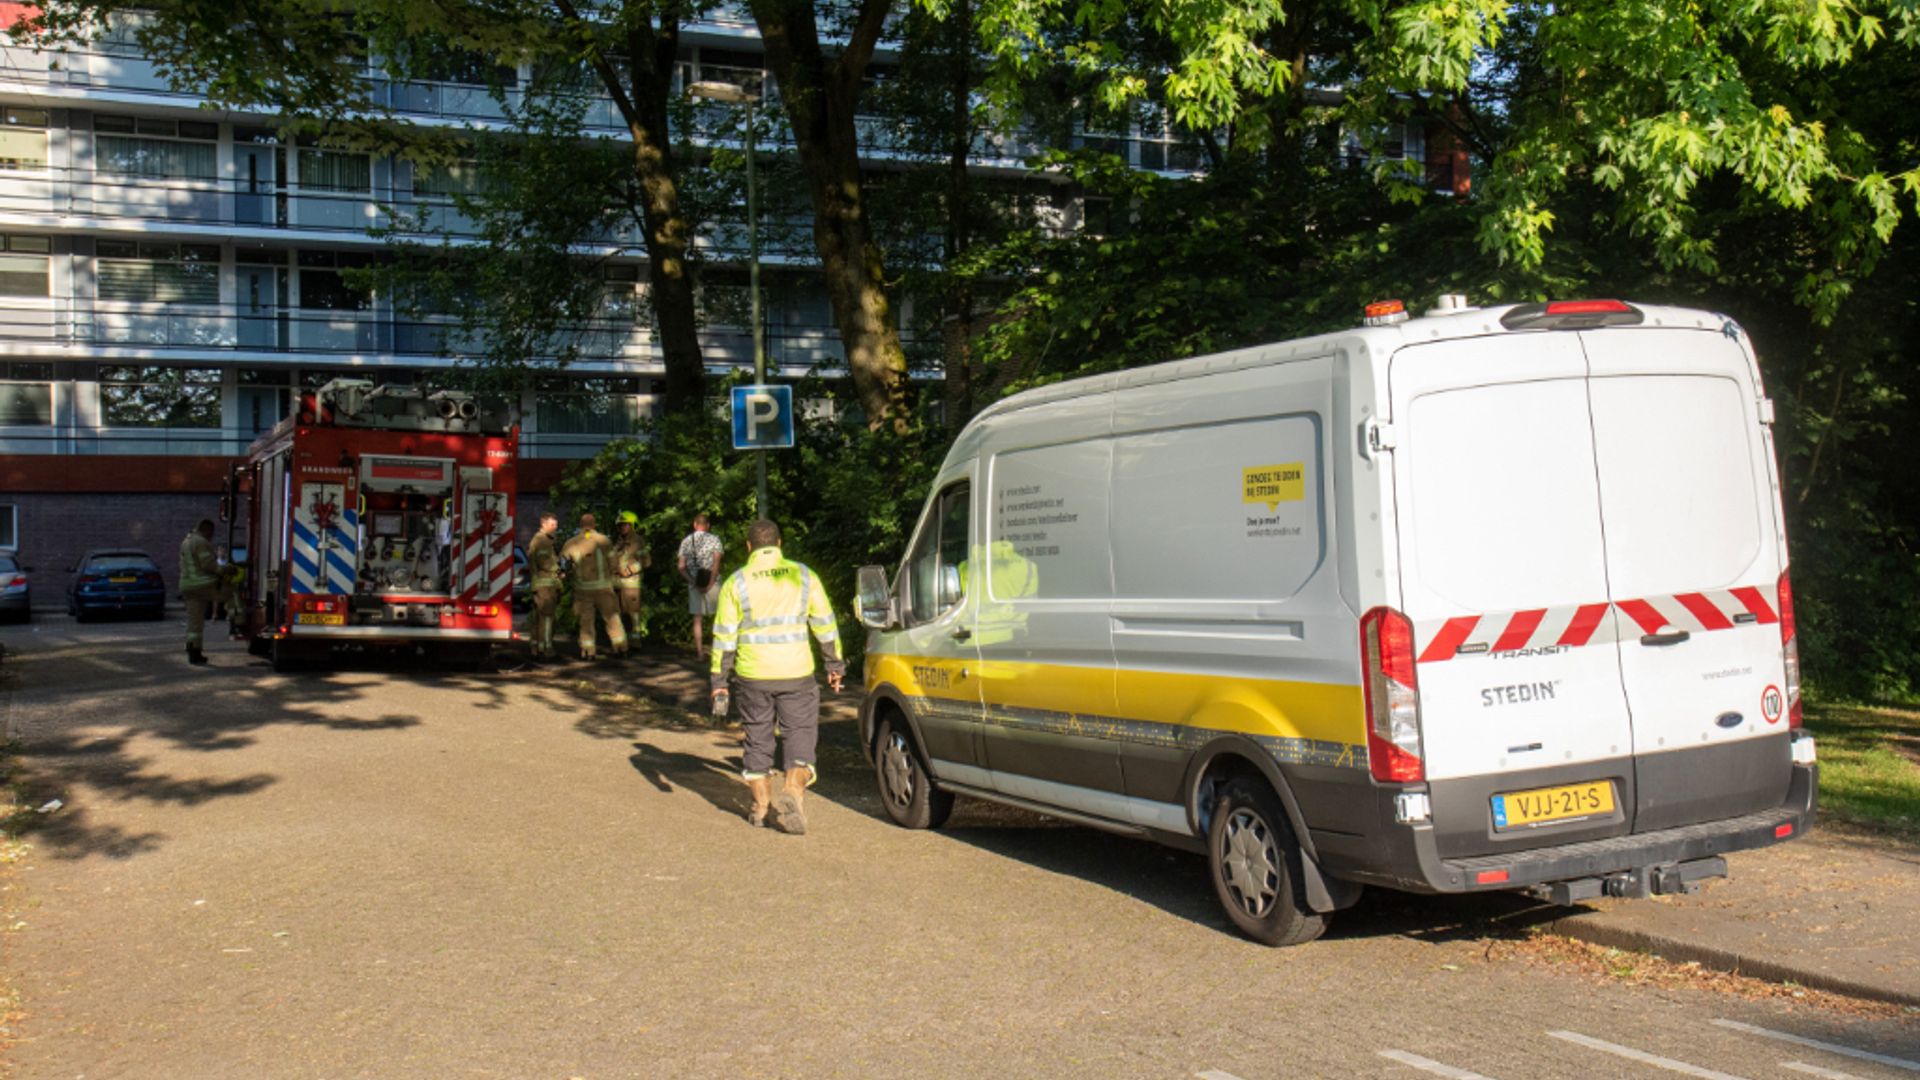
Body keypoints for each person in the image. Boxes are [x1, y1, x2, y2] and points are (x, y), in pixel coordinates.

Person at [709, 519, 844, 834]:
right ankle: (793, 791)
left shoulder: (736, 583)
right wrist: (834, 666)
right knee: (800, 736)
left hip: (753, 676)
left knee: (758, 740)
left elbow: (724, 639)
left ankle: (760, 808)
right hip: (796, 673)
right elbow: (825, 624)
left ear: (748, 547)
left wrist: (719, 683)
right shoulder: (804, 576)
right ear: (779, 545)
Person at [563, 512, 627, 661]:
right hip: (604, 589)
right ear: (594, 525)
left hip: (582, 590)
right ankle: (621, 648)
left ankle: (588, 651)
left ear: (580, 525)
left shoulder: (571, 543)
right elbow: (614, 563)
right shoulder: (604, 541)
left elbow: (563, 565)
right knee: (612, 619)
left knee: (586, 621)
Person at [676, 513, 725, 659]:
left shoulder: (686, 541)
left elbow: (681, 566)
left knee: (697, 619)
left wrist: (693, 582)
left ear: (694, 524)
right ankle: (718, 652)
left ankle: (699, 653)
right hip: (713, 582)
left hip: (695, 582)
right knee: (718, 617)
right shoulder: (714, 539)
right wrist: (711, 582)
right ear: (708, 525)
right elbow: (717, 562)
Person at [178, 519, 222, 666]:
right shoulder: (201, 542)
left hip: (188, 585)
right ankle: (240, 618)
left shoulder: (187, 540)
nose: (212, 536)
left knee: (193, 619)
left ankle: (193, 649)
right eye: (212, 533)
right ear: (208, 530)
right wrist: (225, 570)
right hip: (200, 585)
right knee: (230, 595)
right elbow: (208, 564)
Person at [526, 512, 562, 660]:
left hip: (541, 585)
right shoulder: (542, 541)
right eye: (552, 525)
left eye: (556, 525)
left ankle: (535, 647)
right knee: (547, 617)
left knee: (539, 618)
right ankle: (546, 649)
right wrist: (559, 570)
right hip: (545, 586)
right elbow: (544, 563)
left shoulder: (543, 539)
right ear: (544, 524)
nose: (555, 528)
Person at [612, 510, 651, 642]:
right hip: (616, 584)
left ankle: (635, 642)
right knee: (619, 615)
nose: (622, 527)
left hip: (631, 585)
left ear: (632, 525)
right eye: (620, 525)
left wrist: (629, 570)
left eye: (626, 524)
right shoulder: (617, 542)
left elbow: (646, 561)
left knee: (633, 615)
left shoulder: (638, 541)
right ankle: (623, 642)